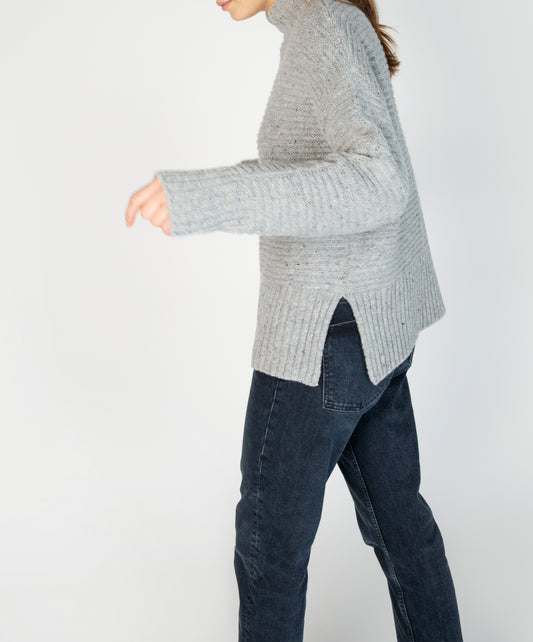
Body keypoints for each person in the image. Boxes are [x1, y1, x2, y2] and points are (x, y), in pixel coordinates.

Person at [124, 0, 464, 640]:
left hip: (322, 340)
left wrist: (204, 197)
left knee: (270, 555)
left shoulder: (325, 29)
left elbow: (379, 180)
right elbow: (320, 172)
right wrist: (207, 192)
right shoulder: (329, 23)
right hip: (372, 333)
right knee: (402, 529)